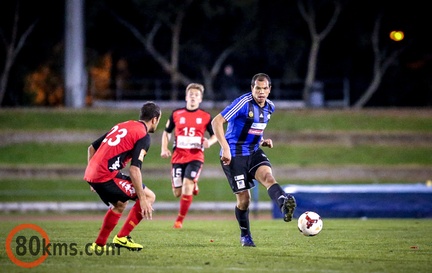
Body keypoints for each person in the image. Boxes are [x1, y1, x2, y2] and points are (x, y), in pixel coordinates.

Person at [211, 73, 296, 247]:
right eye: (258, 88)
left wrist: (262, 140)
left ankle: (283, 203)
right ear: (252, 88)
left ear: (270, 89)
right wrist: (225, 148)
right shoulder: (243, 103)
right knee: (244, 200)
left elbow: (255, 127)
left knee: (268, 177)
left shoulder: (270, 107)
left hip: (253, 151)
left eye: (265, 88)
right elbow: (216, 121)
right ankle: (245, 235)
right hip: (234, 155)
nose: (261, 92)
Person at [84, 101, 162, 252]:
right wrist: (143, 200)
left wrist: (92, 175)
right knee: (150, 196)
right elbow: (134, 170)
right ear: (154, 119)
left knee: (120, 204)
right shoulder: (143, 136)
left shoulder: (123, 125)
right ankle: (122, 238)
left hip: (93, 173)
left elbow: (91, 148)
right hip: (105, 175)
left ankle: (99, 245)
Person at [161, 83, 217, 229]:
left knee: (187, 185)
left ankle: (179, 220)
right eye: (191, 94)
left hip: (195, 156)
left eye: (196, 95)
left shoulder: (205, 116)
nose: (193, 97)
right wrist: (164, 148)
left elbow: (215, 135)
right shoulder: (176, 114)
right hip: (178, 157)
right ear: (186, 97)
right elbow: (166, 132)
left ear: (200, 99)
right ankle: (193, 184)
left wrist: (209, 142)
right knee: (177, 192)